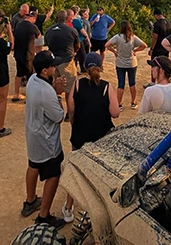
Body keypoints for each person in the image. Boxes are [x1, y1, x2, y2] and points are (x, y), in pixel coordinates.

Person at [63, 52, 120, 224]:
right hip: (101, 138)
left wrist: (75, 124)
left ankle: (68, 207)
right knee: (101, 175)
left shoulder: (77, 85)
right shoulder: (106, 87)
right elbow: (115, 113)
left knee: (75, 173)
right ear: (100, 67)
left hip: (80, 135)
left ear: (85, 67)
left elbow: (71, 111)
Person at [22, 51, 68, 230]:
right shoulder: (46, 93)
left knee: (33, 166)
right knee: (54, 175)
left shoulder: (33, 79)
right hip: (47, 140)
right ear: (44, 70)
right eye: (51, 66)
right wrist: (58, 94)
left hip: (33, 135)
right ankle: (44, 215)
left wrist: (52, 86)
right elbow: (58, 116)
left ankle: (30, 200)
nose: (54, 68)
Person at [107, 20, 147, 109]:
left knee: (121, 83)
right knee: (132, 83)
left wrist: (114, 51)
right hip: (132, 63)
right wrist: (135, 51)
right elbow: (144, 45)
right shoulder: (133, 37)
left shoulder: (117, 37)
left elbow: (107, 45)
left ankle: (119, 104)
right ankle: (133, 102)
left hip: (120, 63)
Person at [45, 9, 80, 108]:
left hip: (53, 62)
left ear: (56, 18)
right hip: (67, 61)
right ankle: (69, 112)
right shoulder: (71, 30)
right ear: (66, 18)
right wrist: (73, 52)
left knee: (54, 88)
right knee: (70, 89)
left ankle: (55, 109)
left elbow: (48, 44)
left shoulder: (49, 30)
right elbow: (78, 45)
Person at [12, 10, 41, 102]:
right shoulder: (33, 27)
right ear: (33, 18)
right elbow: (39, 36)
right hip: (28, 54)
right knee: (30, 76)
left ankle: (16, 94)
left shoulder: (19, 25)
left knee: (19, 74)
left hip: (18, 53)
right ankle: (29, 97)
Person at [150, 9, 171, 83]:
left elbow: (155, 37)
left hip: (157, 48)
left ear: (156, 15)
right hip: (165, 48)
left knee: (154, 65)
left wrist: (152, 48)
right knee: (164, 65)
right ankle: (163, 82)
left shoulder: (157, 24)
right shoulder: (168, 23)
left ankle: (153, 83)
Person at [70, 6, 89, 71]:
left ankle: (74, 69)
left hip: (71, 40)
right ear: (76, 12)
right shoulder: (76, 21)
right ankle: (83, 69)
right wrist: (86, 36)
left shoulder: (69, 20)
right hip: (79, 39)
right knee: (82, 55)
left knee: (74, 56)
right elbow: (82, 30)